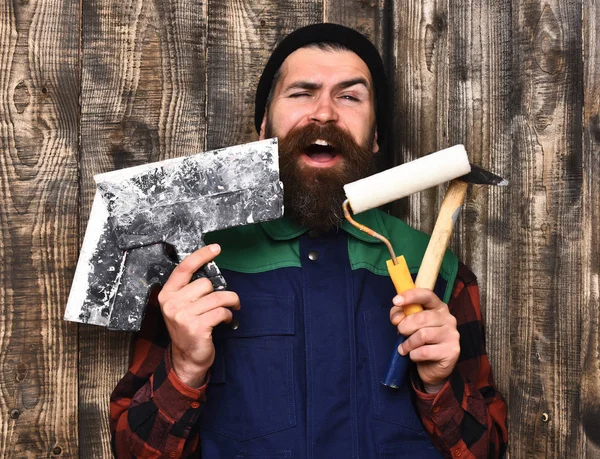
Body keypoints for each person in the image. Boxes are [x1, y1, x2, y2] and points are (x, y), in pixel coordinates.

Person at [110, 23, 507, 458]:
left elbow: (485, 451)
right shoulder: (195, 267)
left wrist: (437, 385)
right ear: (263, 129)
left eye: (350, 95)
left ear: (375, 138)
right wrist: (184, 369)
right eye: (301, 92)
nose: (324, 112)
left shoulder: (438, 273)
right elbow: (133, 452)